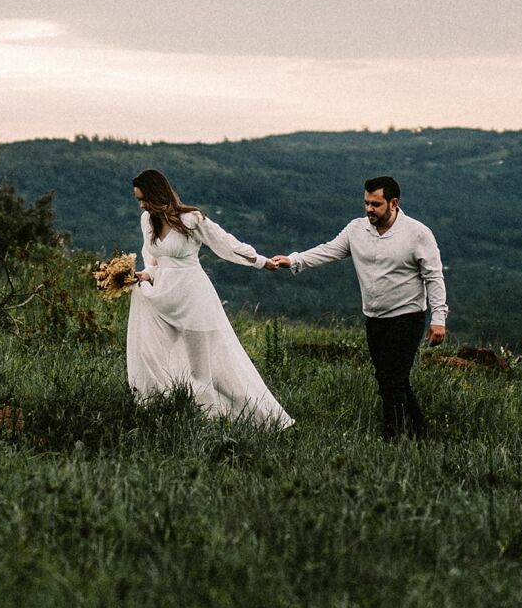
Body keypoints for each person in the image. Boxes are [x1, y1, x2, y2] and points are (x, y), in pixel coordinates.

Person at [269, 175, 447, 440]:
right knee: (390, 378)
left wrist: (439, 318)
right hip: (374, 318)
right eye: (366, 203)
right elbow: (328, 250)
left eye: (375, 204)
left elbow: (434, 276)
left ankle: (394, 439)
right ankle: (422, 435)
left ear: (393, 203)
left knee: (392, 380)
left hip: (407, 317)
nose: (369, 210)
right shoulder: (356, 230)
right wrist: (293, 260)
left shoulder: (418, 234)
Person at [126, 168, 293, 429]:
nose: (142, 204)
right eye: (139, 200)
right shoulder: (147, 221)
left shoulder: (191, 220)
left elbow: (225, 244)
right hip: (164, 297)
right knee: (151, 353)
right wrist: (144, 275)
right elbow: (154, 260)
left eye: (144, 198)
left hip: (194, 300)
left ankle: (263, 422)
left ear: (158, 194)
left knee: (208, 373)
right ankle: (164, 410)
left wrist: (261, 262)